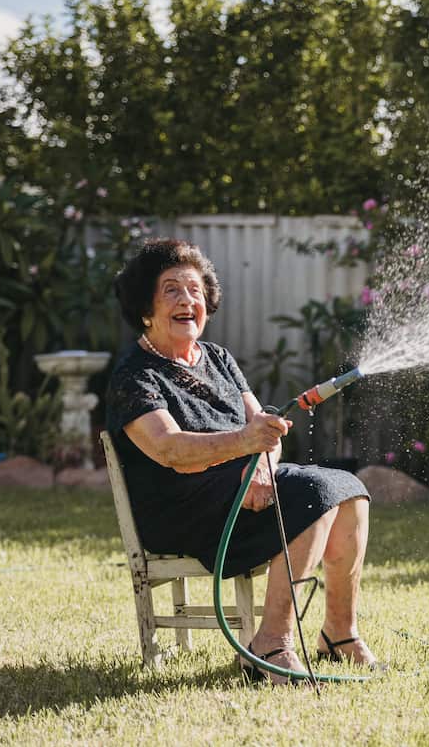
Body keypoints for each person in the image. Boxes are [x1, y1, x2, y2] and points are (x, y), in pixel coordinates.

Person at [105, 238, 377, 685]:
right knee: (316, 492)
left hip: (245, 495)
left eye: (194, 290)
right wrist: (244, 446)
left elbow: (265, 429)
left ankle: (339, 634)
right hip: (184, 511)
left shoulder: (219, 359)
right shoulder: (134, 376)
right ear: (144, 307)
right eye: (171, 289)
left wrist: (262, 472)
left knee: (348, 489)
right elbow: (169, 449)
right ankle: (271, 643)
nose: (187, 299)